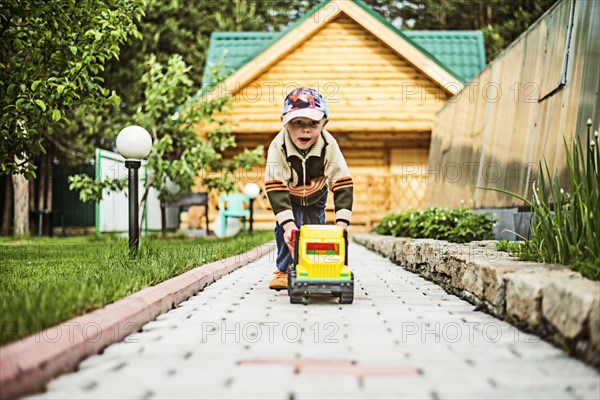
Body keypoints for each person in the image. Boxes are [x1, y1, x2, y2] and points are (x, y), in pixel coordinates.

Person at [265, 87, 353, 290]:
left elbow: (342, 182)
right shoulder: (278, 147)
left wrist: (342, 223)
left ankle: (320, 267)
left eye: (313, 124)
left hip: (317, 194)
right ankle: (284, 270)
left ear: (324, 123)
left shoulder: (329, 145)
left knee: (317, 230)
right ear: (284, 122)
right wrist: (288, 225)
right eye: (297, 123)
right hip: (288, 196)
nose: (305, 130)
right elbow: (275, 186)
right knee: (287, 233)